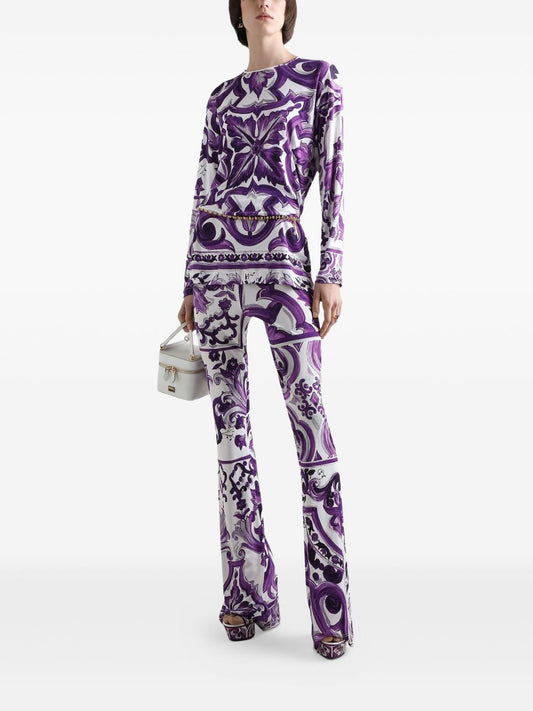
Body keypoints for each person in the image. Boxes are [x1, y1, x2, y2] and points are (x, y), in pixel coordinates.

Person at [177, 0, 354, 660]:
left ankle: (330, 606)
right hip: (216, 272)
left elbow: (334, 178)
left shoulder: (318, 80)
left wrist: (331, 268)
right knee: (231, 437)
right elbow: (204, 189)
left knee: (310, 426)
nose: (263, 1)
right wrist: (188, 279)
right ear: (237, 10)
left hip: (284, 266)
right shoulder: (220, 99)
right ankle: (247, 593)